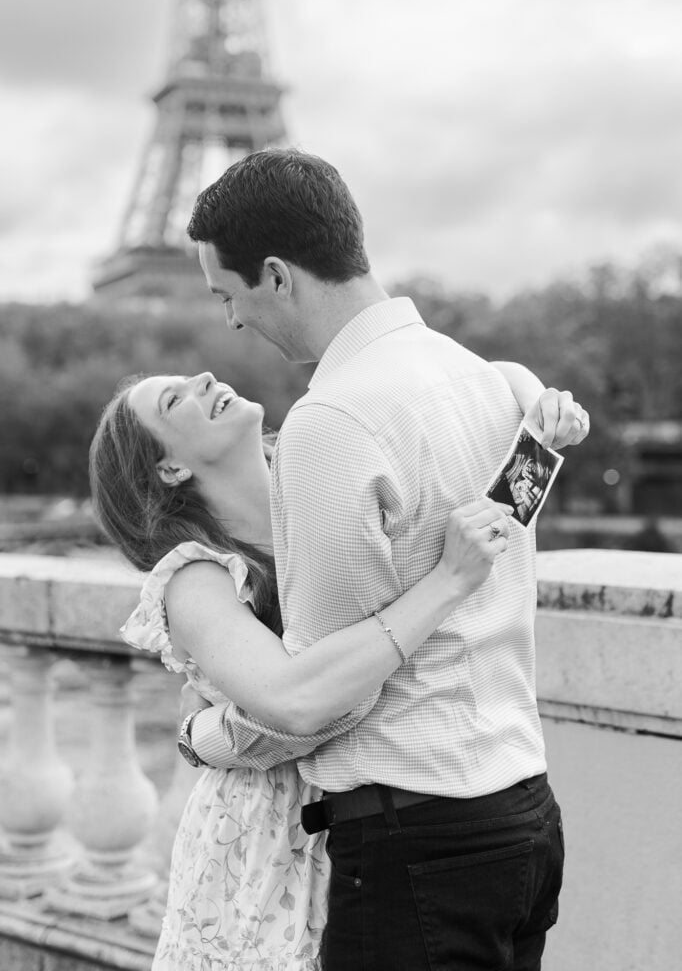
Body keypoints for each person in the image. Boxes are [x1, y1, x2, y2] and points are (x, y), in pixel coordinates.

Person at [176, 148, 590, 971]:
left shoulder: (331, 423)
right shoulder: (496, 383)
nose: (231, 322)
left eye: (228, 295)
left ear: (276, 276)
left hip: (416, 843)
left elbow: (328, 699)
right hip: (525, 817)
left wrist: (206, 733)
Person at [90, 366, 556, 970]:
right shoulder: (197, 578)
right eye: (175, 399)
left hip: (405, 814)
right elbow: (308, 703)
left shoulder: (328, 478)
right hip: (272, 845)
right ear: (170, 469)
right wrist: (446, 581)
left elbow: (450, 383)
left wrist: (532, 400)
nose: (205, 375)